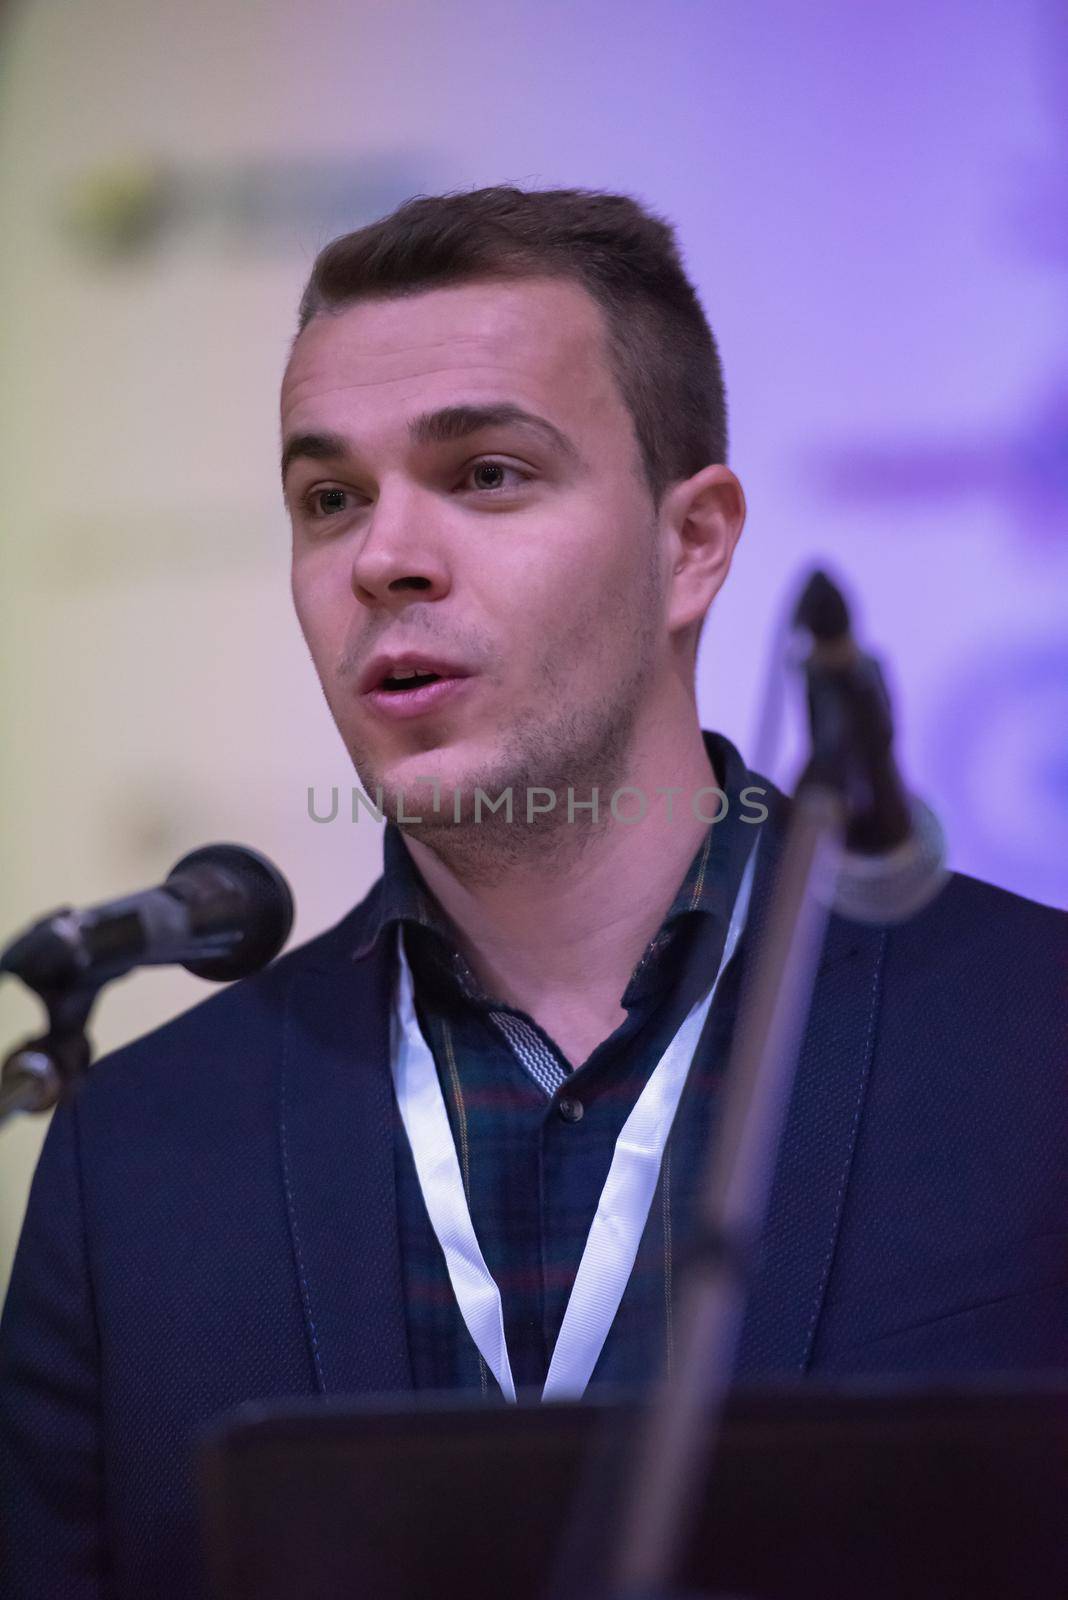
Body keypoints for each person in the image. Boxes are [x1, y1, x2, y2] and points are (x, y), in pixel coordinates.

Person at [1, 185, 1064, 1600]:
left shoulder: (1035, 1041)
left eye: (488, 473)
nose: (384, 557)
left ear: (692, 545)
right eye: (329, 500)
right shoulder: (132, 1165)